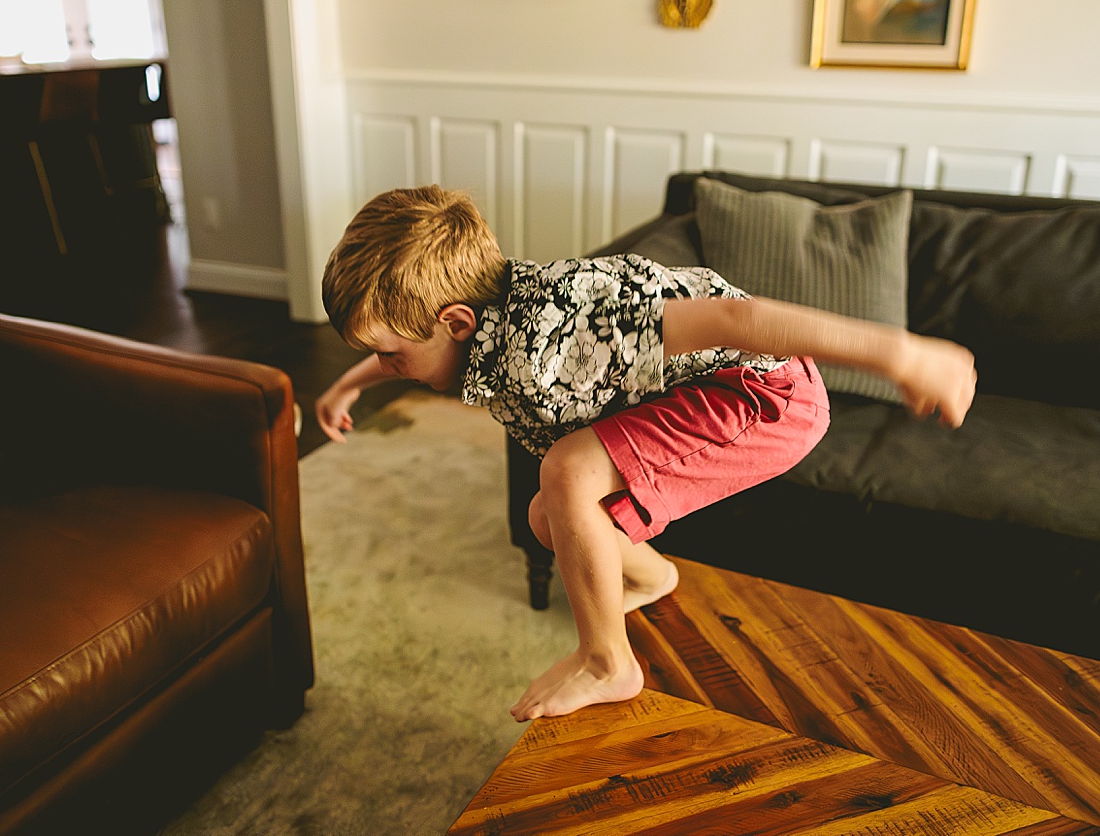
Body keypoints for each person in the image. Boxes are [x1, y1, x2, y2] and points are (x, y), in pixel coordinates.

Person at [316, 185, 977, 723]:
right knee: (553, 517)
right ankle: (655, 575)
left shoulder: (563, 324)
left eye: (387, 355)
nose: (385, 365)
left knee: (569, 470)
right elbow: (416, 343)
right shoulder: (478, 326)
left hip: (767, 394)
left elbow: (735, 320)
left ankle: (609, 662)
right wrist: (349, 382)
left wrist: (900, 352)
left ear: (456, 321)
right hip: (720, 392)